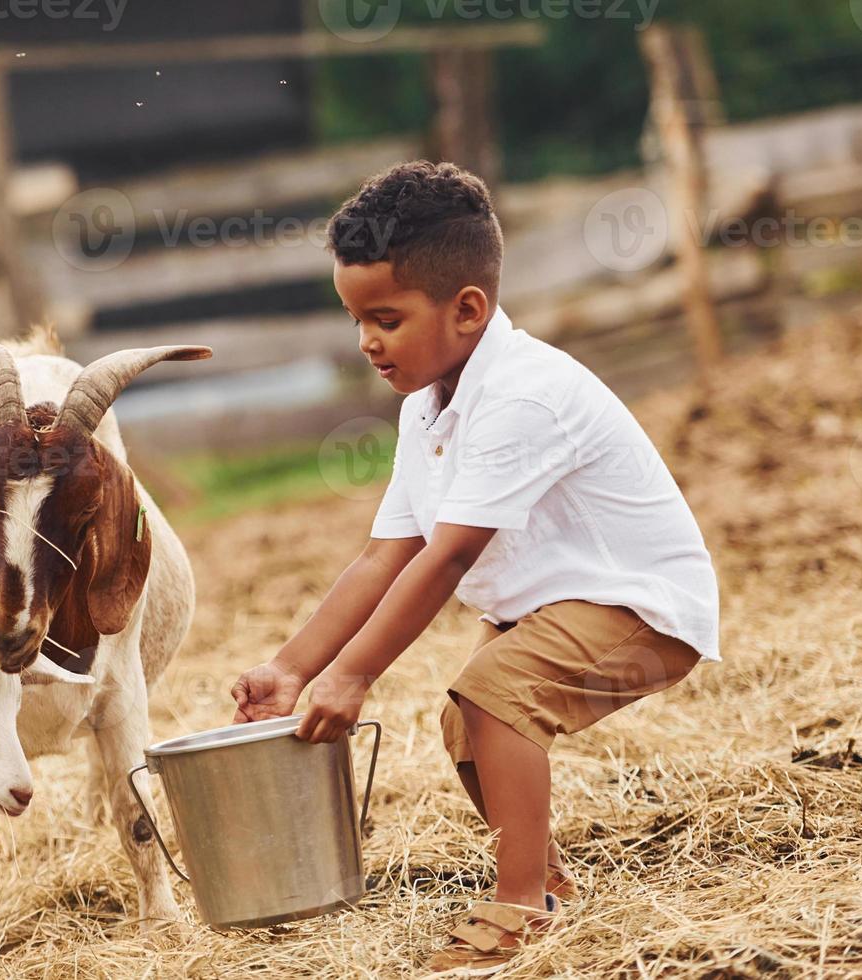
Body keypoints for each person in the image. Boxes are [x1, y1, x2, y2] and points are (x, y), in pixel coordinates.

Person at [229, 161, 719, 975]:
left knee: (495, 695)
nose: (366, 342)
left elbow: (450, 552)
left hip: (642, 609)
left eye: (385, 318)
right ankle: (548, 884)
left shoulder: (521, 396)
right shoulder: (427, 405)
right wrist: (291, 668)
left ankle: (522, 907)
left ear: (467, 309)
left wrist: (351, 678)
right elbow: (388, 552)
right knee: (470, 719)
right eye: (355, 319)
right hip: (558, 608)